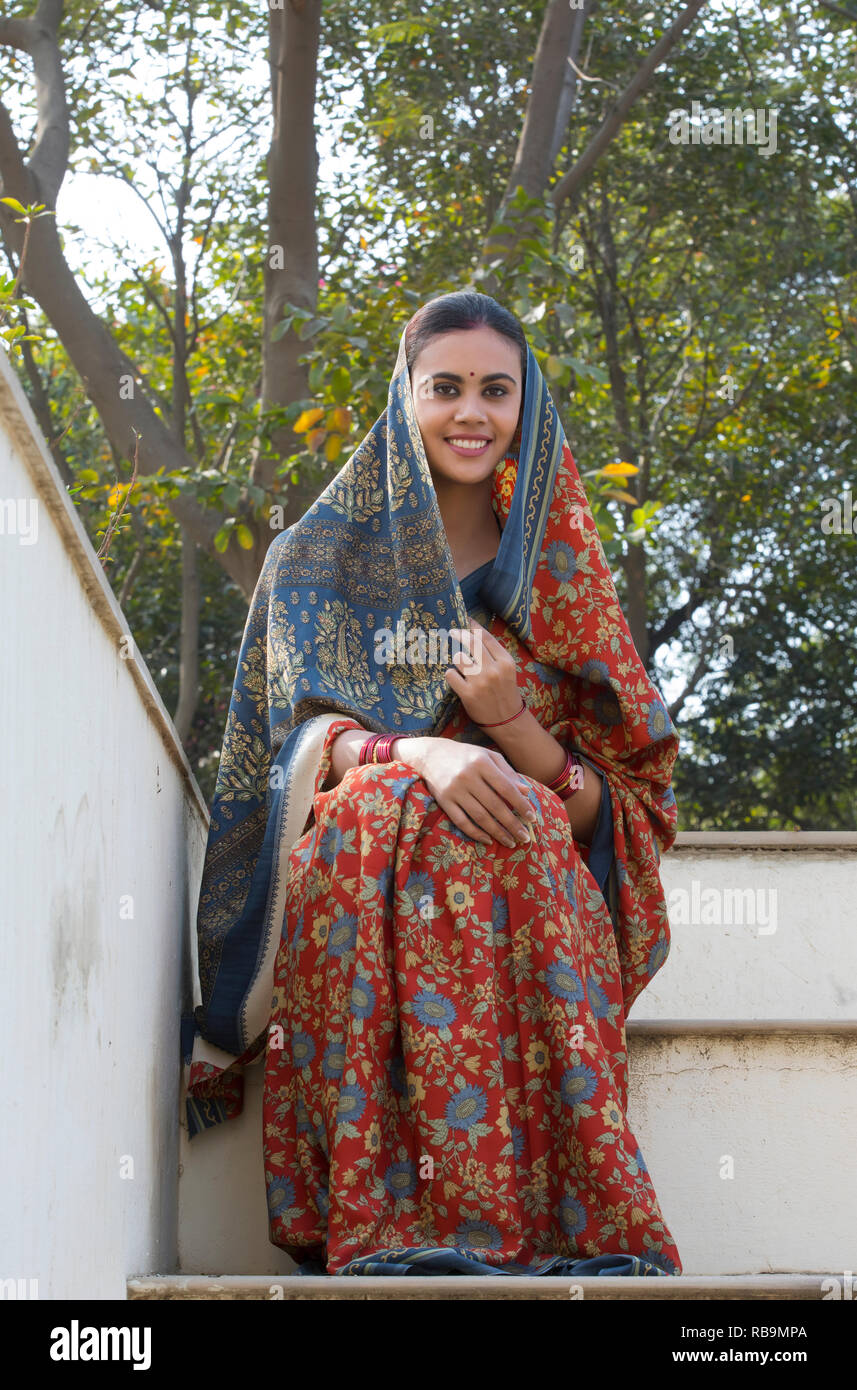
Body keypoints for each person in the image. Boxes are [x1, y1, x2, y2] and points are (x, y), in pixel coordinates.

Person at [184, 290, 682, 1278]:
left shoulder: (562, 584)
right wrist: (414, 752)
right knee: (387, 805)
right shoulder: (312, 564)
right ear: (401, 400)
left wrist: (504, 727)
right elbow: (276, 765)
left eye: (496, 391)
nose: (470, 412)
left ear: (524, 410)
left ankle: (540, 1225)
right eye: (443, 386)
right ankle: (384, 1226)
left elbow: (616, 811)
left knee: (509, 820)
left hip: (526, 897)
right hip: (359, 881)